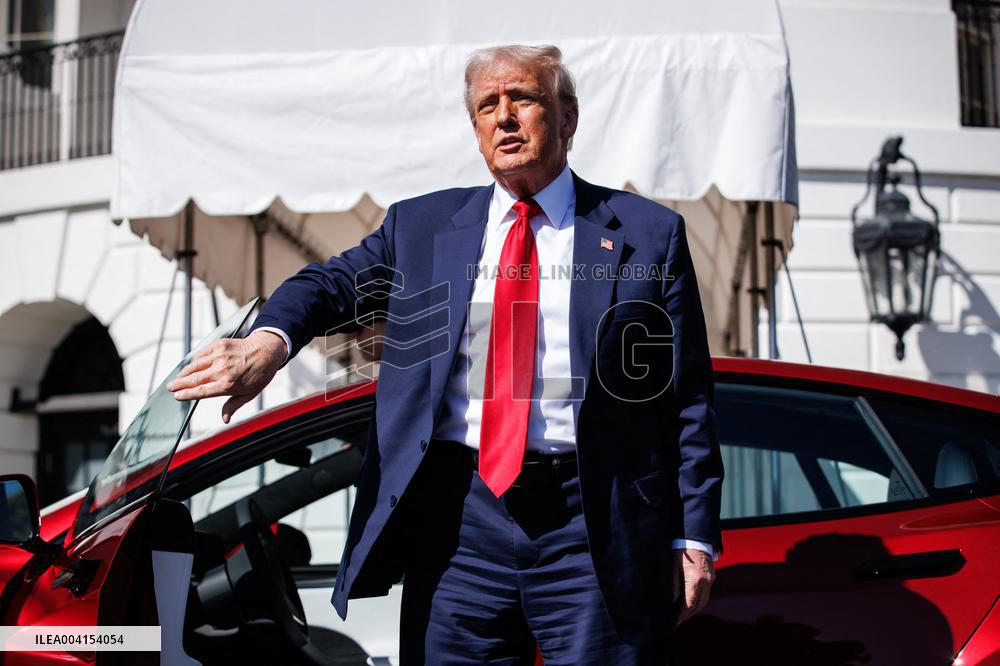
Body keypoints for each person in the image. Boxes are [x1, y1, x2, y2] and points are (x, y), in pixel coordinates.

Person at [168, 44, 723, 665]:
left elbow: (686, 400)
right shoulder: (422, 229)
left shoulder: (646, 234)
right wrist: (268, 346)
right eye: (488, 105)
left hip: (591, 521)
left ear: (568, 118)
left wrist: (693, 534)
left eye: (524, 99)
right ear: (476, 129)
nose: (504, 117)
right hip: (463, 522)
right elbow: (328, 285)